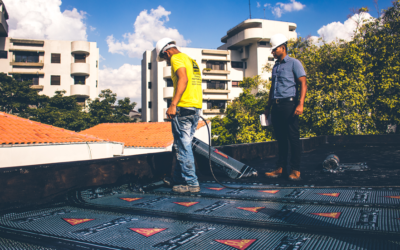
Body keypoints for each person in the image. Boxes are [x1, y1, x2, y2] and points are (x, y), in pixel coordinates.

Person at [155, 38, 203, 192]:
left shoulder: (176, 58)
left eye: (164, 58)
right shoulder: (190, 60)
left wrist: (173, 104)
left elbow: (183, 78)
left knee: (183, 146)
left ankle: (191, 183)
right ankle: (177, 180)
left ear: (166, 52)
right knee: (181, 145)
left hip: (183, 107)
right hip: (195, 108)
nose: (166, 61)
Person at [264, 34, 307, 181]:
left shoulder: (294, 63)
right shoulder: (275, 67)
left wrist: (300, 104)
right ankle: (281, 168)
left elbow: (303, 83)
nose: (273, 52)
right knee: (281, 139)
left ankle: (296, 170)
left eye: (274, 49)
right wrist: (268, 107)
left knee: (293, 137)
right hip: (276, 105)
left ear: (282, 48)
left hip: (289, 104)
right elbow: (272, 88)